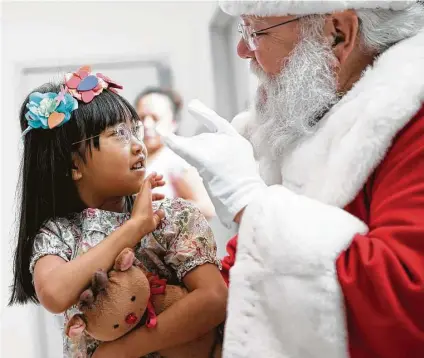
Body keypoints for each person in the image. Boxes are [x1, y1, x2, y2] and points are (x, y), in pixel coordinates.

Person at [160, 1, 424, 357]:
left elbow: (407, 298)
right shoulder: (327, 113)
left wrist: (251, 203)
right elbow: (254, 275)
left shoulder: (412, 118)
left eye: (254, 32)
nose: (242, 50)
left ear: (337, 34)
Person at [8, 66, 227, 358]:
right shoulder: (58, 233)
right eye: (119, 134)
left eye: (134, 131)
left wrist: (121, 352)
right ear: (74, 165)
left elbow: (214, 299)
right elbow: (56, 294)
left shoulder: (174, 215)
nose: (138, 145)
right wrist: (134, 227)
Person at [135, 87, 215, 219]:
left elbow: (207, 209)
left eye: (155, 118)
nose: (147, 124)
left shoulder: (177, 161)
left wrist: (168, 208)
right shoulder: (131, 159)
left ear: (173, 123)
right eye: (142, 118)